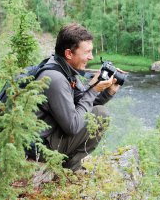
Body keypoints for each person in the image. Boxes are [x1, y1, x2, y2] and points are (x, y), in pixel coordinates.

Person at [34, 23, 121, 171]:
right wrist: (93, 91)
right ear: (69, 54)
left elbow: (82, 107)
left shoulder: (62, 68)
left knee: (97, 112)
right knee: (101, 115)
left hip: (46, 136)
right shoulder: (56, 79)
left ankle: (70, 165)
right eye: (87, 52)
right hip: (38, 149)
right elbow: (73, 126)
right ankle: (70, 168)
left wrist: (108, 92)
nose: (91, 57)